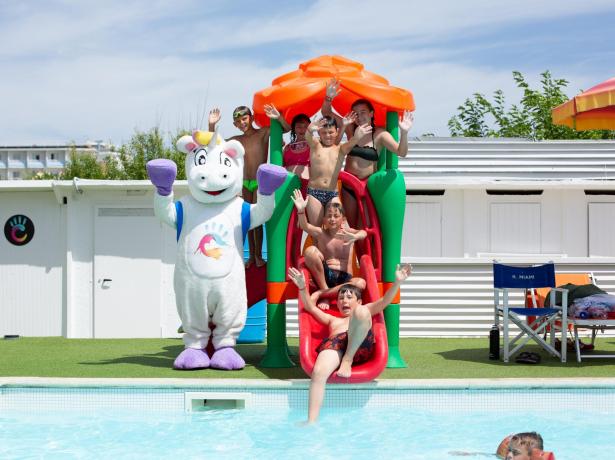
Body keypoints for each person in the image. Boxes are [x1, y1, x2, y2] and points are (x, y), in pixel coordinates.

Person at [287, 262, 411, 423]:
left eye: (349, 297)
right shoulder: (332, 320)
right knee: (318, 372)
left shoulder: (364, 309)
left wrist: (397, 282)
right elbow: (310, 308)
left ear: (358, 301)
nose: (344, 301)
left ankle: (348, 359)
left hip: (360, 345)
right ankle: (311, 421)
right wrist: (303, 288)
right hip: (337, 345)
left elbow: (385, 301)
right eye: (340, 298)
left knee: (361, 313)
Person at [321, 78, 414, 227]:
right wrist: (329, 97)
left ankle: (369, 250)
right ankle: (356, 251)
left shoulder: (379, 134)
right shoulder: (351, 129)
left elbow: (401, 152)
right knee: (351, 226)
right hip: (348, 186)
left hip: (366, 186)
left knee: (365, 225)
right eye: (356, 113)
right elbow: (326, 112)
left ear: (371, 113)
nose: (359, 116)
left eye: (363, 112)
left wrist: (404, 133)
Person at [208, 104, 289, 268]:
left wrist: (277, 117)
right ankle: (251, 256)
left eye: (244, 118)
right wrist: (211, 125)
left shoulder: (263, 133)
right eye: (238, 121)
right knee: (249, 220)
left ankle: (258, 255)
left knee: (257, 220)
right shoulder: (236, 140)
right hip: (244, 183)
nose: (242, 123)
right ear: (235, 125)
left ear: (251, 118)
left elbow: (286, 129)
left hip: (260, 183)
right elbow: (214, 145)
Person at [291, 189, 366, 308]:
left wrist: (355, 236)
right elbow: (305, 225)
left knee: (361, 283)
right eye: (329, 216)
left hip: (345, 279)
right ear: (324, 220)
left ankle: (322, 294)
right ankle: (325, 293)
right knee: (310, 251)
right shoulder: (321, 233)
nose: (332, 219)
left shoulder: (348, 233)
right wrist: (301, 210)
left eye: (336, 216)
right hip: (325, 277)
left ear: (343, 219)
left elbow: (364, 233)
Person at [304, 115, 371, 227]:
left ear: (336, 132)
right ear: (319, 133)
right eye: (324, 132)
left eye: (330, 132)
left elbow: (351, 143)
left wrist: (357, 137)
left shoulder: (340, 149)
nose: (327, 135)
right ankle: (316, 244)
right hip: (314, 193)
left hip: (332, 194)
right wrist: (310, 129)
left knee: (337, 229)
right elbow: (308, 137)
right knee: (317, 231)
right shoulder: (315, 145)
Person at [282, 113, 311, 192]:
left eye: (305, 127)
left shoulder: (315, 146)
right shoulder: (287, 148)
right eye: (299, 127)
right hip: (289, 187)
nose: (302, 129)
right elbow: (280, 168)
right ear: (294, 129)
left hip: (309, 188)